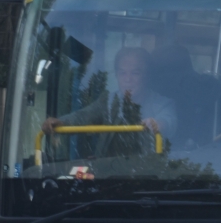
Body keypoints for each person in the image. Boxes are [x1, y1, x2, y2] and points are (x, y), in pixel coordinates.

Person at [43, 46, 178, 148]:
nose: (128, 79)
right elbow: (83, 116)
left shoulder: (163, 104)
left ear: (147, 76)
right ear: (117, 75)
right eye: (122, 73)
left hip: (149, 171)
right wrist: (61, 122)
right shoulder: (108, 101)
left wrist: (158, 124)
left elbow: (169, 121)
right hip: (108, 171)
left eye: (135, 73)